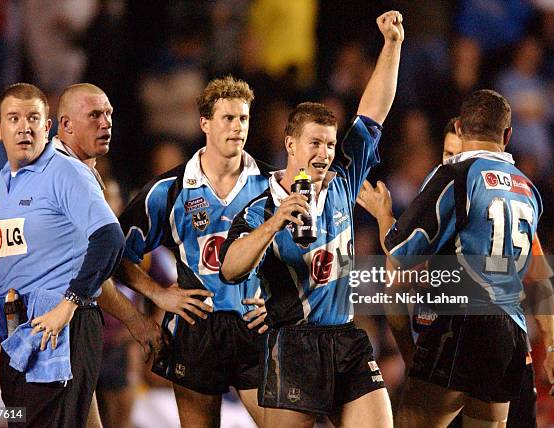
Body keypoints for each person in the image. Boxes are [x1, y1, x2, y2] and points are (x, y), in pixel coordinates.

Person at [219, 11, 404, 428]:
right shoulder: (259, 206)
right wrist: (274, 225)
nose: (323, 153)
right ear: (290, 144)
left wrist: (392, 45)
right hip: (293, 344)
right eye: (314, 143)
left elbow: (373, 112)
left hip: (347, 339)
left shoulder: (342, 182)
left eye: (330, 144)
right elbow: (229, 267)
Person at [373, 89, 554, 427]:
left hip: (460, 322)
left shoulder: (456, 175)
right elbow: (537, 279)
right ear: (507, 135)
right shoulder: (527, 189)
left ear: (460, 129)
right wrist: (552, 348)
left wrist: (383, 217)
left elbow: (401, 252)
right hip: (510, 333)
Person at [115, 75, 272, 427]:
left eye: (243, 118)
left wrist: (279, 301)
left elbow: (300, 255)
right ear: (204, 123)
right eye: (227, 118)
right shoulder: (168, 191)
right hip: (197, 328)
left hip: (256, 325)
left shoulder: (272, 184)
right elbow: (114, 253)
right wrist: (159, 295)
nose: (237, 127)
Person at [0, 83, 124, 427]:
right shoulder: (7, 179)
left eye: (34, 117)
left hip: (60, 329)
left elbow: (110, 237)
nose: (24, 127)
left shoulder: (65, 171)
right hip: (20, 333)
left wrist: (68, 304)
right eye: (14, 118)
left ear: (47, 126)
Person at [53, 83, 162, 427]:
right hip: (56, 330)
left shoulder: (80, 173)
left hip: (85, 333)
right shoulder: (62, 175)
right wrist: (136, 319)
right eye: (95, 115)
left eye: (109, 114)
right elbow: (93, 261)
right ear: (65, 125)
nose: (106, 122)